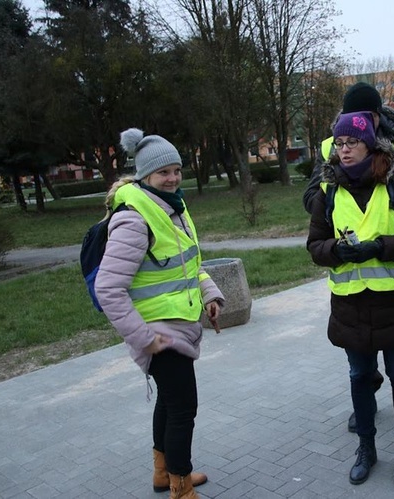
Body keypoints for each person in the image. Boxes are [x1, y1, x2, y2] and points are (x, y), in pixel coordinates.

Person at [95, 128, 225, 499]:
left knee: (170, 403)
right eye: (163, 173)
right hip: (158, 333)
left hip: (178, 326)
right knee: (184, 408)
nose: (172, 179)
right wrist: (144, 337)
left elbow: (188, 264)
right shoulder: (135, 218)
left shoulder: (173, 209)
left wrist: (210, 295)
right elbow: (109, 288)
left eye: (176, 171)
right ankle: (181, 489)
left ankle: (163, 473)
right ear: (145, 176)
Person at [303, 81, 394, 437]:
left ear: (378, 115)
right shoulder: (334, 144)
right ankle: (367, 399)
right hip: (351, 264)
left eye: (367, 116)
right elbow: (312, 193)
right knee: (359, 339)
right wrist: (327, 209)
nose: (346, 148)